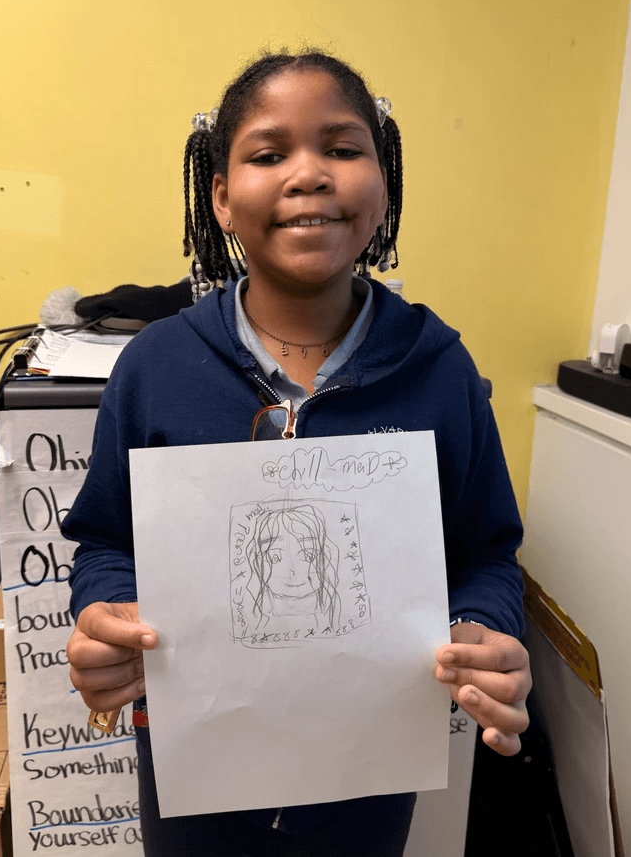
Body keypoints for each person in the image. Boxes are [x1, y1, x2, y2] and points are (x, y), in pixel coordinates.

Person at [63, 49, 531, 857]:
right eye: (269, 154)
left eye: (342, 148)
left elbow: (487, 551)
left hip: (368, 780)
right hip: (192, 776)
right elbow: (105, 541)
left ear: (384, 186)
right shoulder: (155, 368)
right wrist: (106, 613)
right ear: (219, 197)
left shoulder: (441, 371)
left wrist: (483, 627)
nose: (309, 174)